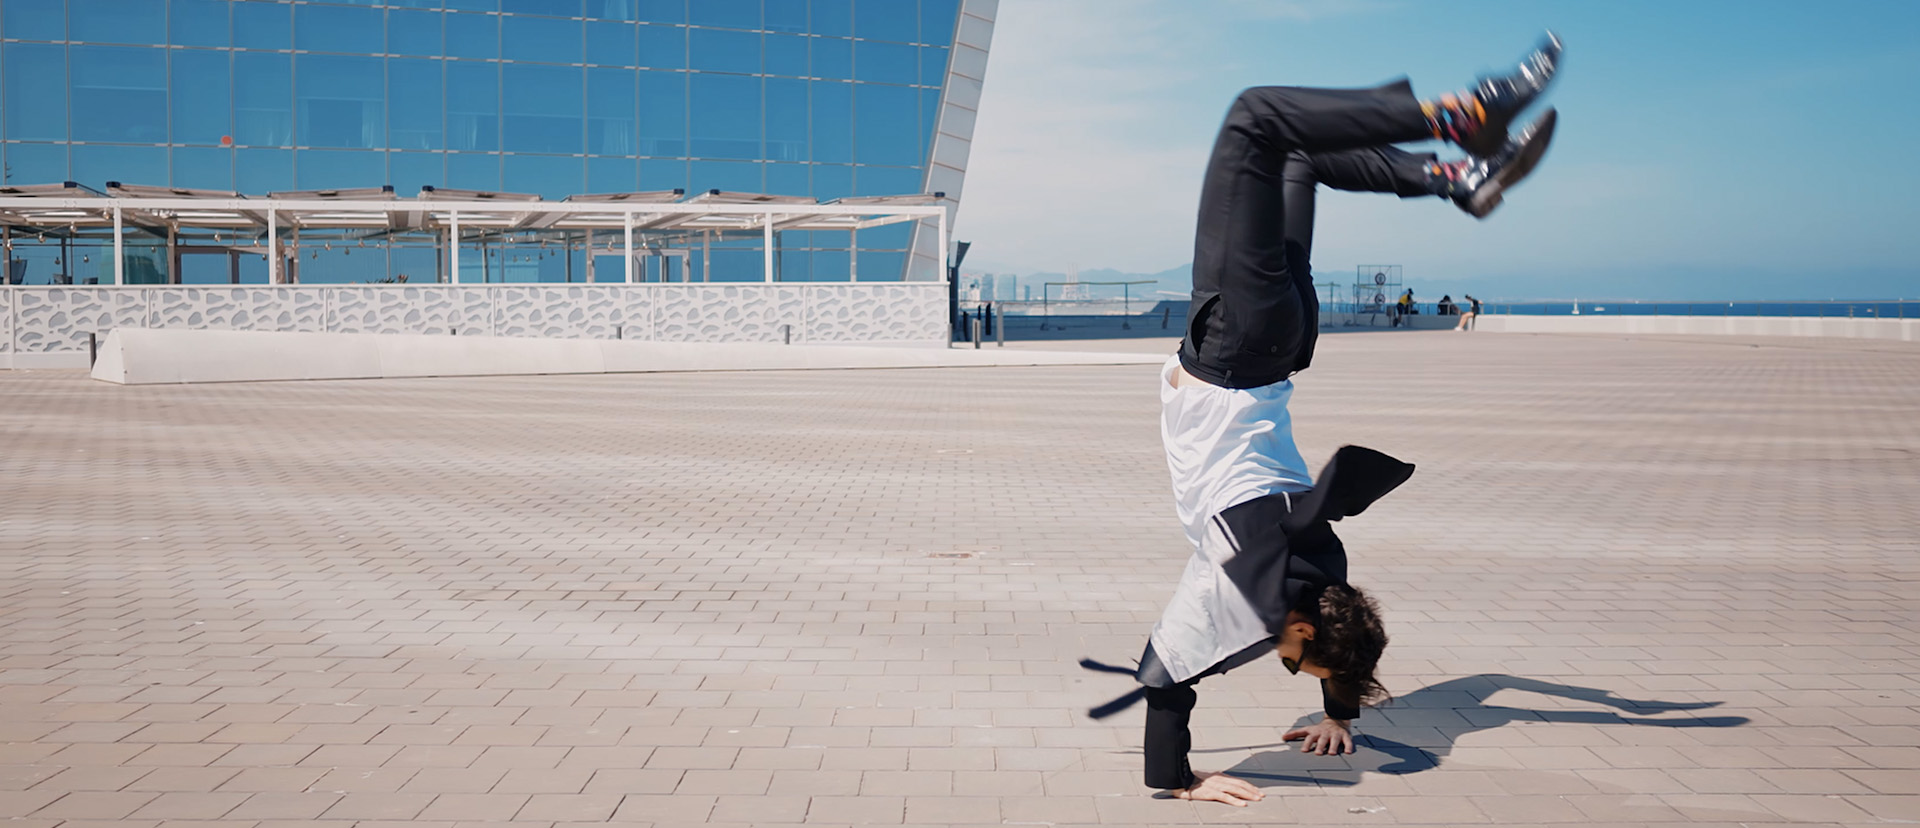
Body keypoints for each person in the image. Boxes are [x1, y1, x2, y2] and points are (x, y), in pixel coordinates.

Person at [1085, 33, 1562, 807]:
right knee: (1253, 120)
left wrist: (1342, 715)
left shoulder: (1327, 569)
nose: (1292, 672)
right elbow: (1165, 682)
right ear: (1302, 632)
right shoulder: (1237, 593)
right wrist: (1177, 781)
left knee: (1297, 158)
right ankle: (1459, 119)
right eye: (1302, 669)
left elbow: (1351, 647)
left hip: (1285, 344)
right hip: (1235, 346)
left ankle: (1458, 177)